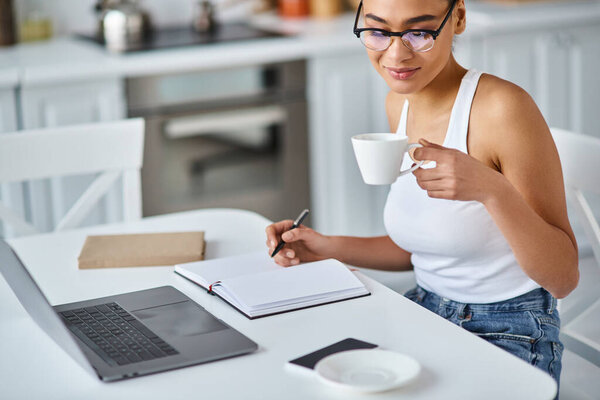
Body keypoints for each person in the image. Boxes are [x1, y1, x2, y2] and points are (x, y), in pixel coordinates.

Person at [265, 0, 579, 388]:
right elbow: (427, 247)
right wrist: (327, 246)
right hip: (423, 310)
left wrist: (492, 190)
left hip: (508, 328)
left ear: (458, 17)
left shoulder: (503, 109)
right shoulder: (399, 102)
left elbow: (563, 277)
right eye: (378, 31)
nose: (396, 54)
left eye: (420, 32)